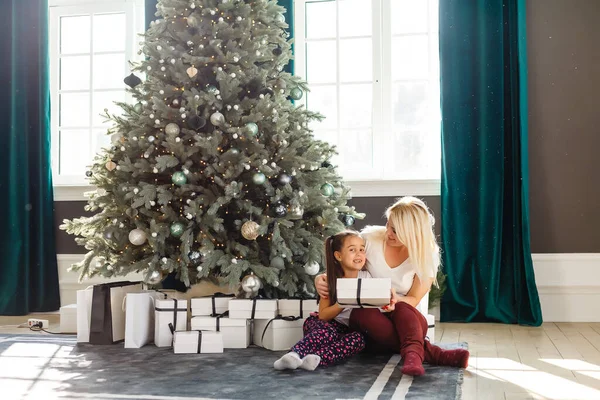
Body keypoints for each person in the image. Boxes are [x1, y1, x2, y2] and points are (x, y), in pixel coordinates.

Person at [315, 196, 469, 376]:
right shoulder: (370, 239)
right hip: (372, 325)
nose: (388, 232)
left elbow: (413, 299)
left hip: (408, 323)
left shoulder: (426, 255)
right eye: (388, 224)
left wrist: (396, 300)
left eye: (395, 230)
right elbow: (343, 266)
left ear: (412, 233)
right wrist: (321, 278)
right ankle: (426, 354)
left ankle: (417, 352)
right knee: (362, 312)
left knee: (403, 307)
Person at [274, 230, 395, 371]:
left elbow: (378, 302)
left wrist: (387, 305)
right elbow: (323, 316)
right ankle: (293, 355)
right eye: (352, 250)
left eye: (362, 249)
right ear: (338, 256)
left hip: (347, 329)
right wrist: (343, 303)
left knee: (358, 340)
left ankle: (315, 359)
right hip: (326, 325)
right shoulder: (331, 280)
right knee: (328, 332)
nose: (359, 254)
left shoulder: (367, 277)